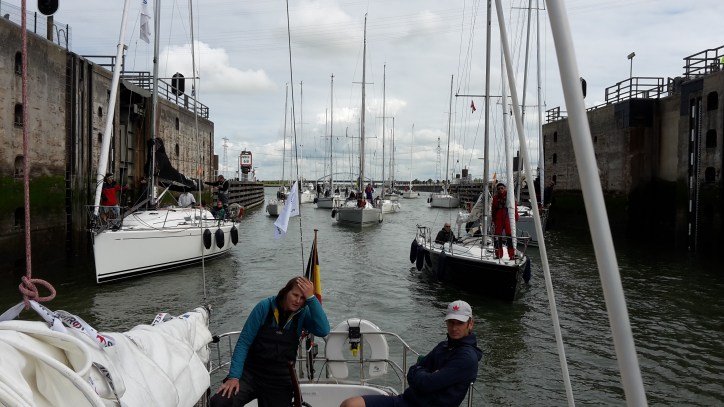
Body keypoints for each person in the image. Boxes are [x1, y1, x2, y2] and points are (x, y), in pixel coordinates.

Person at [210, 277, 330, 407]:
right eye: (295, 295)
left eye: (302, 298)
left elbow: (323, 330)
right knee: (220, 402)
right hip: (250, 375)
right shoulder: (264, 307)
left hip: (280, 380)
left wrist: (311, 298)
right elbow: (244, 342)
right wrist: (234, 376)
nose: (298, 301)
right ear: (286, 292)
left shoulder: (303, 313)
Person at [340, 300, 482, 407]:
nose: (454, 328)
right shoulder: (443, 346)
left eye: (459, 323)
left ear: (470, 324)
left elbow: (426, 383)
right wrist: (423, 374)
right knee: (350, 404)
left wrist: (422, 374)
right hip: (407, 401)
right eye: (451, 322)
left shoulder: (466, 358)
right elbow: (412, 371)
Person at [491, 182, 519, 259]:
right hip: (498, 217)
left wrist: (516, 217)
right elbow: (493, 209)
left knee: (509, 236)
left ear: (505, 188)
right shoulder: (495, 198)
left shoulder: (509, 196)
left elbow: (514, 207)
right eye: (499, 189)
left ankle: (512, 254)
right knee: (497, 236)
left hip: (507, 216)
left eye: (502, 188)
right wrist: (493, 219)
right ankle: (498, 254)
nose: (500, 190)